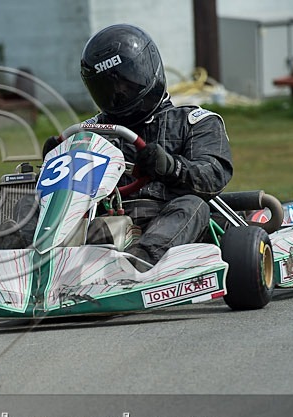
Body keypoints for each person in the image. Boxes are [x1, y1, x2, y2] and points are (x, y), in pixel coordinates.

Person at [42, 24, 233, 265]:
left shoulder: (195, 122)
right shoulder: (88, 132)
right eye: (107, 87)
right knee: (28, 197)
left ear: (147, 71)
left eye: (125, 82)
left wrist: (171, 167)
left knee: (193, 205)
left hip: (166, 217)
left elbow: (213, 176)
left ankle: (138, 262)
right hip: (101, 219)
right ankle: (21, 257)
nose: (118, 92)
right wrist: (55, 160)